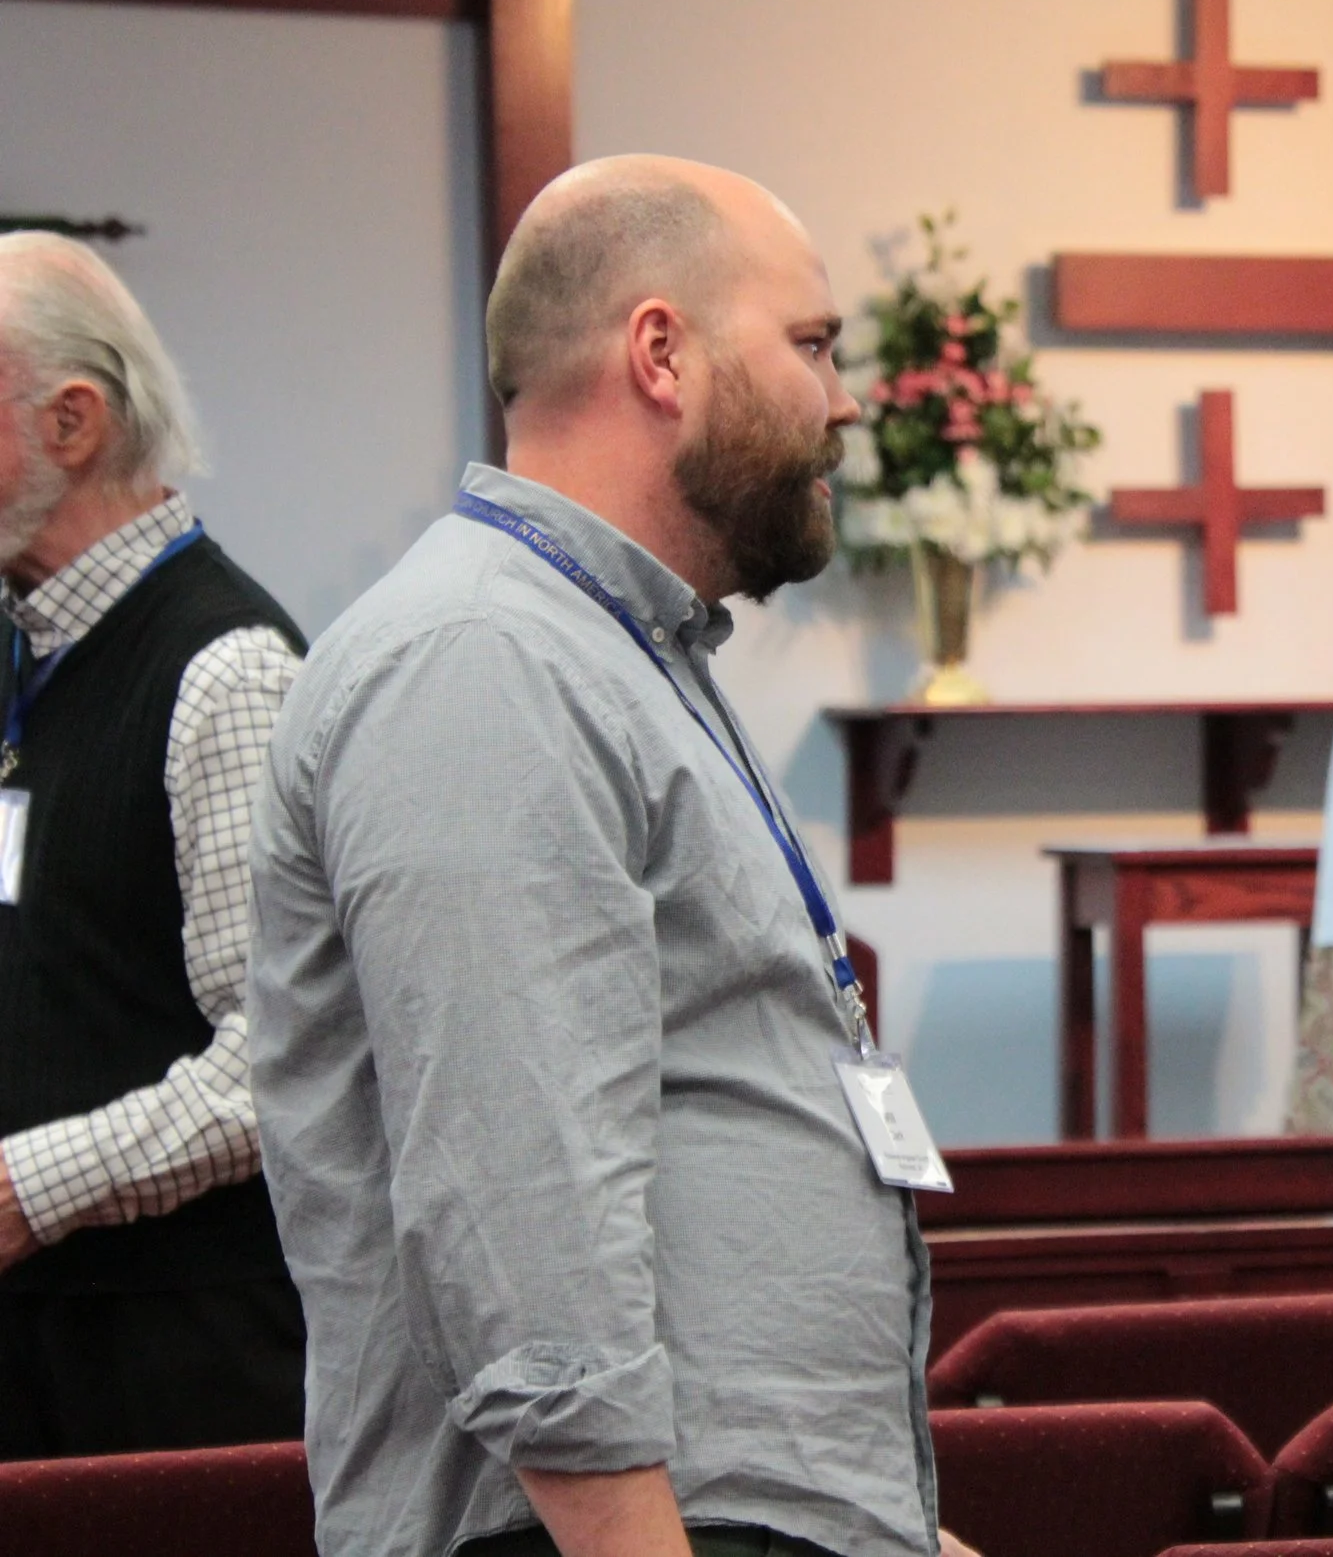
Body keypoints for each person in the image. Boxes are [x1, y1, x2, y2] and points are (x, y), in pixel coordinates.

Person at [249, 157, 968, 1557]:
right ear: (661, 353)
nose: (843, 399)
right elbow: (522, 1215)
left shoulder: (618, 647)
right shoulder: (485, 657)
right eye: (813, 343)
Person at [0, 234, 307, 1459]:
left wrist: (25, 1188)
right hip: (41, 1341)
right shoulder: (30, 652)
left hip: (179, 1369)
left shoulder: (226, 671)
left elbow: (278, 1061)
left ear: (72, 421)